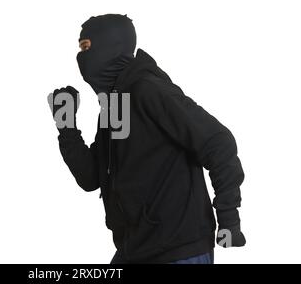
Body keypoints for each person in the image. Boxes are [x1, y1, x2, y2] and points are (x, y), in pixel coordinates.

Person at [48, 14, 246, 264]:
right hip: (137, 249)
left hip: (179, 248)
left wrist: (228, 218)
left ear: (110, 46)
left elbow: (218, 142)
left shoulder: (148, 90)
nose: (82, 58)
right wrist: (66, 127)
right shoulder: (114, 106)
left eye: (87, 47)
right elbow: (91, 178)